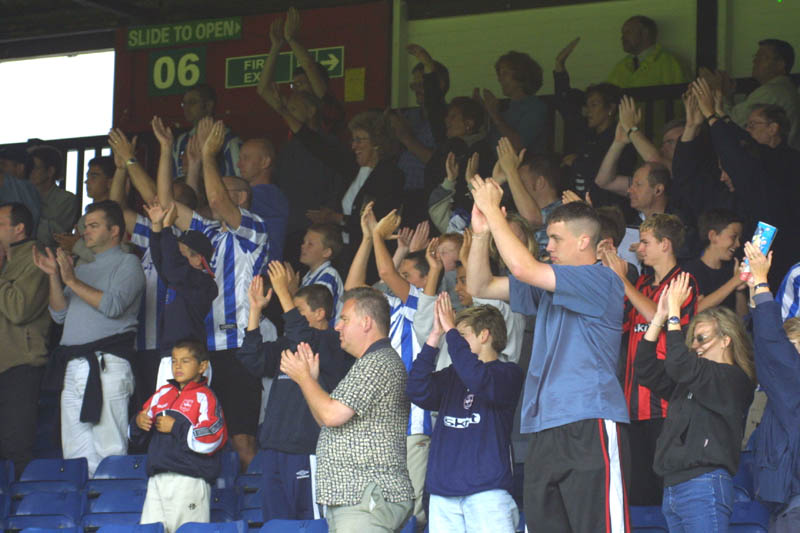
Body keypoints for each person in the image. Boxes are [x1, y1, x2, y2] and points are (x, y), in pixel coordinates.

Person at [466, 184, 631, 532]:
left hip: (590, 418)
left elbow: (524, 269)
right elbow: (479, 286)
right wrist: (481, 236)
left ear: (584, 241)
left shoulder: (601, 279)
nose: (548, 246)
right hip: (543, 425)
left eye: (555, 238)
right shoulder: (549, 285)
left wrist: (495, 211)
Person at [150, 117, 269, 470]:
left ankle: (255, 514)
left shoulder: (252, 229)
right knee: (199, 433)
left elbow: (215, 197)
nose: (214, 197)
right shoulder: (207, 232)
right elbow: (165, 202)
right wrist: (166, 150)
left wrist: (207, 156)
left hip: (238, 348)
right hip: (204, 351)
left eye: (225, 190)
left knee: (243, 437)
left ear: (242, 198)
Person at [281, 287, 414, 531]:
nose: (337, 327)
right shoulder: (369, 362)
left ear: (366, 322)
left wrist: (304, 379)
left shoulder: (376, 362)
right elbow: (325, 419)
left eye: (344, 319)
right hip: (358, 498)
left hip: (366, 496)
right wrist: (310, 380)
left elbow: (331, 415)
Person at [33, 200, 145, 476]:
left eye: (94, 226)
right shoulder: (81, 270)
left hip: (107, 364)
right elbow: (59, 315)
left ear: (115, 230)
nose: (85, 232)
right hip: (73, 365)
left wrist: (70, 280)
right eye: (85, 227)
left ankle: (111, 512)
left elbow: (113, 306)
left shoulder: (128, 262)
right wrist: (54, 277)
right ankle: (83, 514)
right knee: (74, 451)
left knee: (110, 447)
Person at [636, 273, 755, 532]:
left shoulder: (732, 378)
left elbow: (679, 364)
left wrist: (677, 314)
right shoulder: (691, 378)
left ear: (726, 340)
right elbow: (644, 369)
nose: (695, 346)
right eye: (693, 340)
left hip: (704, 483)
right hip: (672, 487)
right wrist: (660, 317)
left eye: (702, 338)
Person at [238, 263, 350, 522]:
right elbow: (251, 359)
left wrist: (283, 293)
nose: (292, 317)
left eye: (298, 311)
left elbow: (305, 338)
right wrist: (255, 310)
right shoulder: (287, 345)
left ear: (320, 313)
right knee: (276, 525)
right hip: (274, 448)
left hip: (307, 450)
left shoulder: (332, 344)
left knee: (309, 524)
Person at [604, 213, 698, 505]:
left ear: (665, 244)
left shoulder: (684, 282)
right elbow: (616, 325)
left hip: (665, 407)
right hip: (631, 406)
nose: (638, 248)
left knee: (666, 496)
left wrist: (623, 281)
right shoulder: (641, 284)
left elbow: (654, 314)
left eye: (645, 242)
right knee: (638, 496)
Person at [407, 295, 523, 532]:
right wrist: (434, 337)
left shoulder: (507, 373)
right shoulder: (452, 375)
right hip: (443, 493)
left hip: (488, 493)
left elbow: (479, 379)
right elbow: (416, 390)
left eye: (461, 335)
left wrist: (450, 329)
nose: (454, 340)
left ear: (484, 335)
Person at [130, 339, 228, 533]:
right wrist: (138, 422)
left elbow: (213, 438)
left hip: (189, 480)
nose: (178, 366)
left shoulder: (205, 397)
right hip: (157, 479)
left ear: (202, 366)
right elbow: (136, 435)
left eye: (185, 361)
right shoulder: (162, 393)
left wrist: (176, 427)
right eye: (174, 361)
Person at [746, 244, 800, 531]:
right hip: (784, 502)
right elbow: (766, 348)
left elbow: (772, 348)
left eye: (793, 347)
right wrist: (756, 287)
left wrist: (763, 283)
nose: (786, 354)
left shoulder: (793, 377)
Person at [141, 201, 218, 389]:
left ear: (198, 259)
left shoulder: (203, 283)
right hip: (170, 358)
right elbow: (161, 261)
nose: (176, 258)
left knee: (184, 417)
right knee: (163, 415)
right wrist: (157, 226)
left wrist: (167, 229)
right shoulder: (179, 279)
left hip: (190, 360)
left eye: (181, 254)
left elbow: (172, 266)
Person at [0, 202, 49, 476]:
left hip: (20, 363)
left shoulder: (34, 257)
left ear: (19, 229)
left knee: (15, 446)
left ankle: (21, 516)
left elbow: (20, 309)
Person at [710, 39, 799, 148]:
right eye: (755, 57)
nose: (755, 62)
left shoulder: (772, 91)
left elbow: (732, 123)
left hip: (773, 161)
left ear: (780, 65)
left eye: (762, 57)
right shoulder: (785, 88)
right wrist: (727, 96)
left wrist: (718, 91)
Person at [476, 51, 548, 153]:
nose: (499, 79)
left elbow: (518, 146)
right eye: (499, 74)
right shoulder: (507, 109)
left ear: (521, 75)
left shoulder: (536, 108)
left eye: (505, 73)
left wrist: (495, 115)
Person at [681, 208, 747, 315]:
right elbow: (696, 310)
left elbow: (743, 319)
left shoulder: (732, 269)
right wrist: (735, 281)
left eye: (739, 238)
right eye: (734, 237)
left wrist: (739, 290)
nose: (738, 244)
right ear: (713, 236)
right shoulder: (690, 271)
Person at [172, 83, 242, 178]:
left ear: (209, 105)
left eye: (192, 102)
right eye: (184, 103)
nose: (186, 108)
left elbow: (240, 180)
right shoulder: (181, 141)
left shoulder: (228, 139)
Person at [236, 138, 288, 262]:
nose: (239, 164)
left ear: (265, 162)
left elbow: (218, 203)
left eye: (246, 158)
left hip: (262, 276)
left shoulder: (268, 195)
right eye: (240, 158)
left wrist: (207, 158)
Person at [607, 15, 686, 88]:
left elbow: (682, 99)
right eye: (623, 33)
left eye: (628, 32)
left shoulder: (669, 63)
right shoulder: (620, 66)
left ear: (645, 33)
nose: (622, 37)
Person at [27, 145, 79, 248]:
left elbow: (53, 237)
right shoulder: (24, 195)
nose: (30, 172)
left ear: (50, 171)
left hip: (50, 256)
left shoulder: (66, 199)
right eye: (28, 168)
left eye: (35, 168)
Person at [299, 224, 344, 320]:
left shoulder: (328, 276)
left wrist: (290, 291)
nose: (303, 246)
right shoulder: (309, 276)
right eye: (304, 242)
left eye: (310, 244)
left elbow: (313, 314)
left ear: (326, 252)